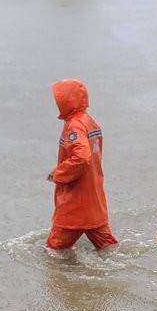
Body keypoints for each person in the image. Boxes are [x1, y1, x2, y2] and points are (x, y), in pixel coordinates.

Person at [45, 79, 118, 252]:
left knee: (53, 250)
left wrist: (58, 174)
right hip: (94, 201)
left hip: (74, 205)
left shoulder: (74, 127)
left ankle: (60, 279)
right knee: (109, 247)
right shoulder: (89, 122)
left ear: (66, 101)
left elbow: (82, 157)